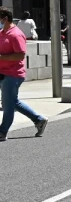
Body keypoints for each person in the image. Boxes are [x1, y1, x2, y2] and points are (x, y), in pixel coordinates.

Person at [0, 8, 48, 141]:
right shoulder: (2, 33)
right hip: (3, 73)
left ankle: (2, 131)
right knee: (12, 102)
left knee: (8, 105)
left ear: (4, 19)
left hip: (13, 74)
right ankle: (39, 120)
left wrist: (1, 57)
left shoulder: (16, 34)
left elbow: (20, 55)